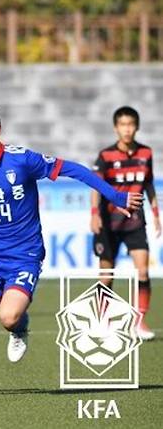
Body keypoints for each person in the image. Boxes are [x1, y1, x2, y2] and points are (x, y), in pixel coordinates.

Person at [0, 102, 143, 396]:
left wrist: (115, 195)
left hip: (24, 256)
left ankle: (19, 326)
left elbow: (74, 170)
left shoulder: (23, 160)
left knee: (8, 316)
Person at [91, 106, 160, 340]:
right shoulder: (106, 156)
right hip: (109, 222)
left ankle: (139, 322)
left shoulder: (146, 154)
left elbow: (149, 184)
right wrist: (94, 214)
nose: (127, 129)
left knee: (142, 271)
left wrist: (156, 214)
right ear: (116, 127)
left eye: (131, 124)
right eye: (123, 125)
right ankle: (103, 321)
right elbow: (96, 186)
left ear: (137, 127)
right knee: (106, 275)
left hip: (135, 221)